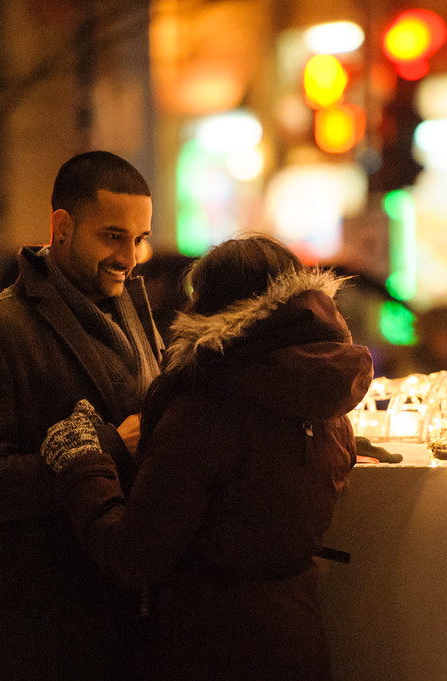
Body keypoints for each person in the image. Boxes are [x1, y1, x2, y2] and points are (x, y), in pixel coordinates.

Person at [40, 234, 374, 680]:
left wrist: (81, 460)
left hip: (211, 648)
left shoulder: (207, 409)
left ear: (213, 308)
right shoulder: (326, 404)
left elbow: (132, 555)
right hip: (296, 641)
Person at [0, 151, 163, 681]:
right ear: (61, 227)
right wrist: (105, 446)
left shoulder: (135, 306)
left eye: (139, 238)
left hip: (138, 628)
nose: (129, 256)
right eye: (112, 235)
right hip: (50, 637)